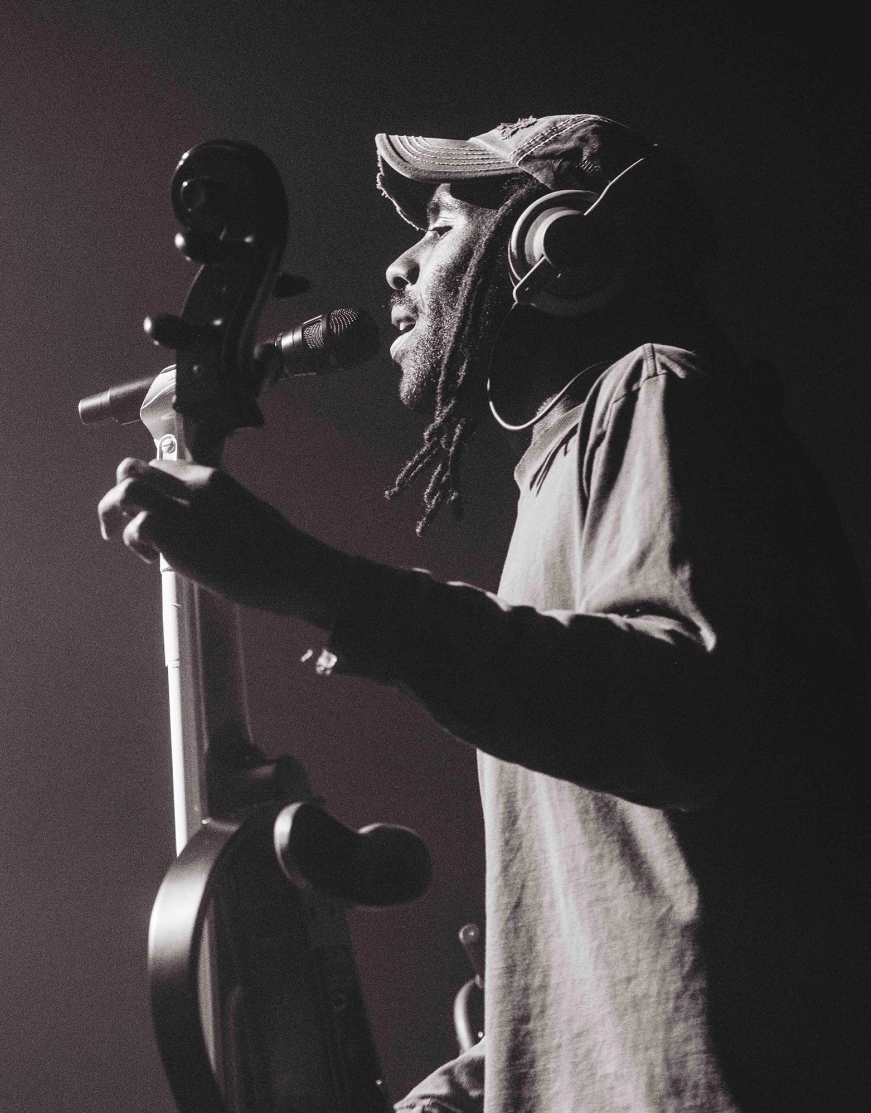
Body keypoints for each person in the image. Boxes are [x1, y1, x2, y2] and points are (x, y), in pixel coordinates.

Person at [98, 115, 869, 1112]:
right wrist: (463, 1090)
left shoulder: (656, 393)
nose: (398, 266)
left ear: (554, 247)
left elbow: (679, 710)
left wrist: (306, 576)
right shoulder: (562, 470)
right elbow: (607, 971)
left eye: (440, 225)